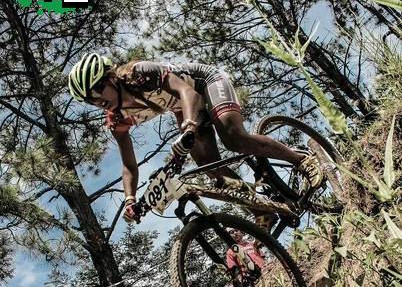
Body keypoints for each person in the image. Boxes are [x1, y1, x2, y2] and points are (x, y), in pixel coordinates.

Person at [68, 54, 323, 225]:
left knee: (233, 138)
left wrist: (189, 127)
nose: (96, 100)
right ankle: (261, 210)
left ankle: (302, 160)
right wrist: (130, 199)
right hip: (185, 109)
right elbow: (128, 165)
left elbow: (185, 90)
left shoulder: (140, 73)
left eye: (98, 89)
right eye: (89, 100)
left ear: (111, 77)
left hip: (204, 83)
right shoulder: (116, 119)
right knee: (210, 168)